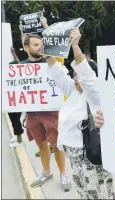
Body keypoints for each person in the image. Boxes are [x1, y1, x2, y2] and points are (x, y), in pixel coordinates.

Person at [46, 28, 115, 199]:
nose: (75, 79)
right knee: (83, 191)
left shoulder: (96, 93)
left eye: (78, 75)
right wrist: (47, 50)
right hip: (74, 158)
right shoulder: (74, 91)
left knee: (98, 193)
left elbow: (86, 76)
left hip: (90, 157)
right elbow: (58, 73)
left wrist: (75, 46)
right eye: (74, 75)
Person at [21, 33, 71, 191]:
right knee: (41, 144)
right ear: (26, 48)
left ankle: (63, 175)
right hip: (32, 113)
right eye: (35, 45)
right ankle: (46, 173)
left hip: (51, 112)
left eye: (40, 44)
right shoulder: (19, 66)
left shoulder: (51, 62)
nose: (39, 47)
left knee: (57, 144)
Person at [8, 47, 25, 148]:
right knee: (15, 120)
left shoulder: (17, 78)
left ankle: (19, 141)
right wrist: (14, 53)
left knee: (15, 121)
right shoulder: (18, 75)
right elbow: (18, 63)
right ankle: (17, 137)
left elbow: (18, 64)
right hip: (14, 101)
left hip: (15, 102)